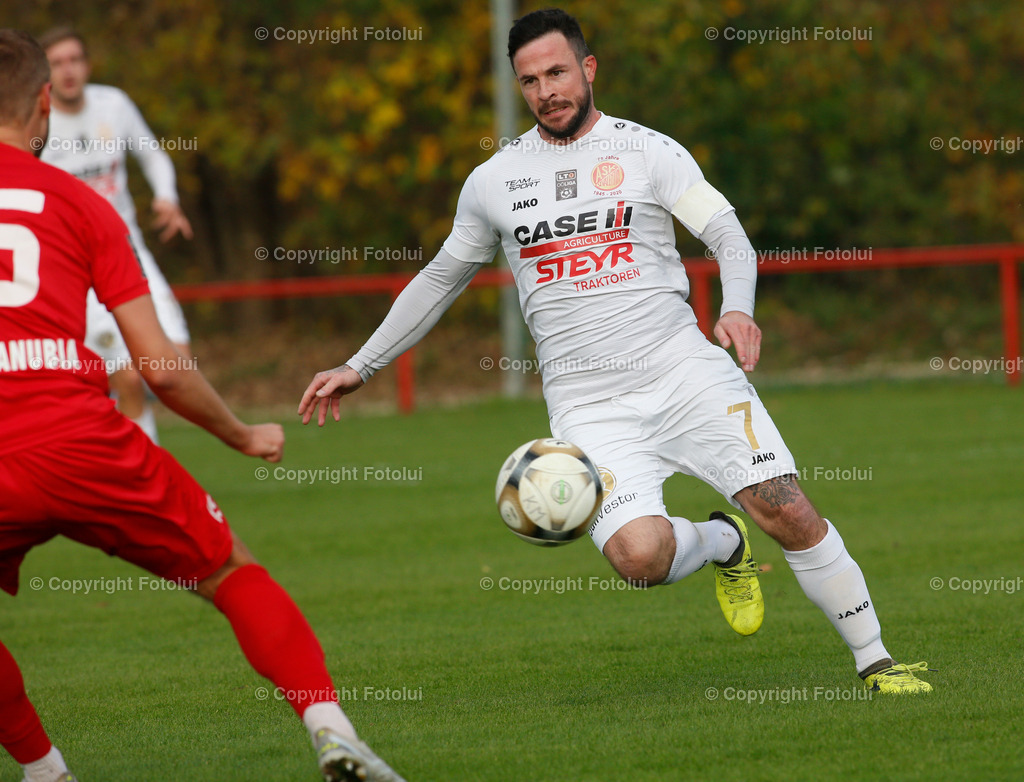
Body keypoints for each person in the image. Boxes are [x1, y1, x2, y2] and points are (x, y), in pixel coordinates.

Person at [299, 8, 932, 694]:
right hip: (588, 406)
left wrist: (738, 309)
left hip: (683, 372)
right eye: (531, 80)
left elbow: (727, 235)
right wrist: (359, 365)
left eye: (558, 72)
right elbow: (439, 279)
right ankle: (723, 542)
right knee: (641, 559)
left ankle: (876, 662)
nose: (547, 91)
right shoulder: (494, 181)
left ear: (588, 68)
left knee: (786, 506)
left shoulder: (648, 151)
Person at [0, 30, 404, 782]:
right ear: (42, 102)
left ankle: (44, 769)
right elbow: (163, 369)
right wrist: (242, 434)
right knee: (230, 572)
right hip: (84, 441)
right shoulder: (82, 205)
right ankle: (333, 730)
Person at [38, 26, 193, 444]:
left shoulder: (114, 104)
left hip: (131, 252)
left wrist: (166, 197)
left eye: (75, 59)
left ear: (86, 64)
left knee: (178, 364)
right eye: (57, 63)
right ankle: (143, 468)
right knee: (126, 375)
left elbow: (152, 153)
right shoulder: (39, 121)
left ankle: (112, 445)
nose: (68, 70)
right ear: (44, 75)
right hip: (78, 268)